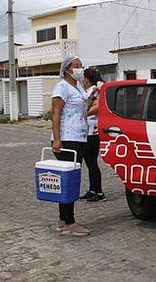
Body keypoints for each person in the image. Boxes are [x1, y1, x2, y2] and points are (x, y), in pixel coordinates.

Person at [51, 55, 94, 236]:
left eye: (81, 66)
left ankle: (64, 219)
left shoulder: (77, 87)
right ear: (67, 68)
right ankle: (69, 221)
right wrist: (57, 139)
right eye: (76, 66)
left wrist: (91, 97)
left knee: (72, 178)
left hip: (80, 137)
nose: (80, 69)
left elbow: (83, 111)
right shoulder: (61, 87)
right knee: (69, 180)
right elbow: (56, 112)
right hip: (67, 138)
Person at [79, 67, 106, 202]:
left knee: (92, 162)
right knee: (89, 162)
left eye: (83, 77)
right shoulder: (87, 91)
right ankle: (92, 189)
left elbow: (97, 107)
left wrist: (83, 112)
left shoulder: (96, 90)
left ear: (87, 79)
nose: (81, 79)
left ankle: (99, 192)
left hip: (92, 132)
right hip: (86, 131)